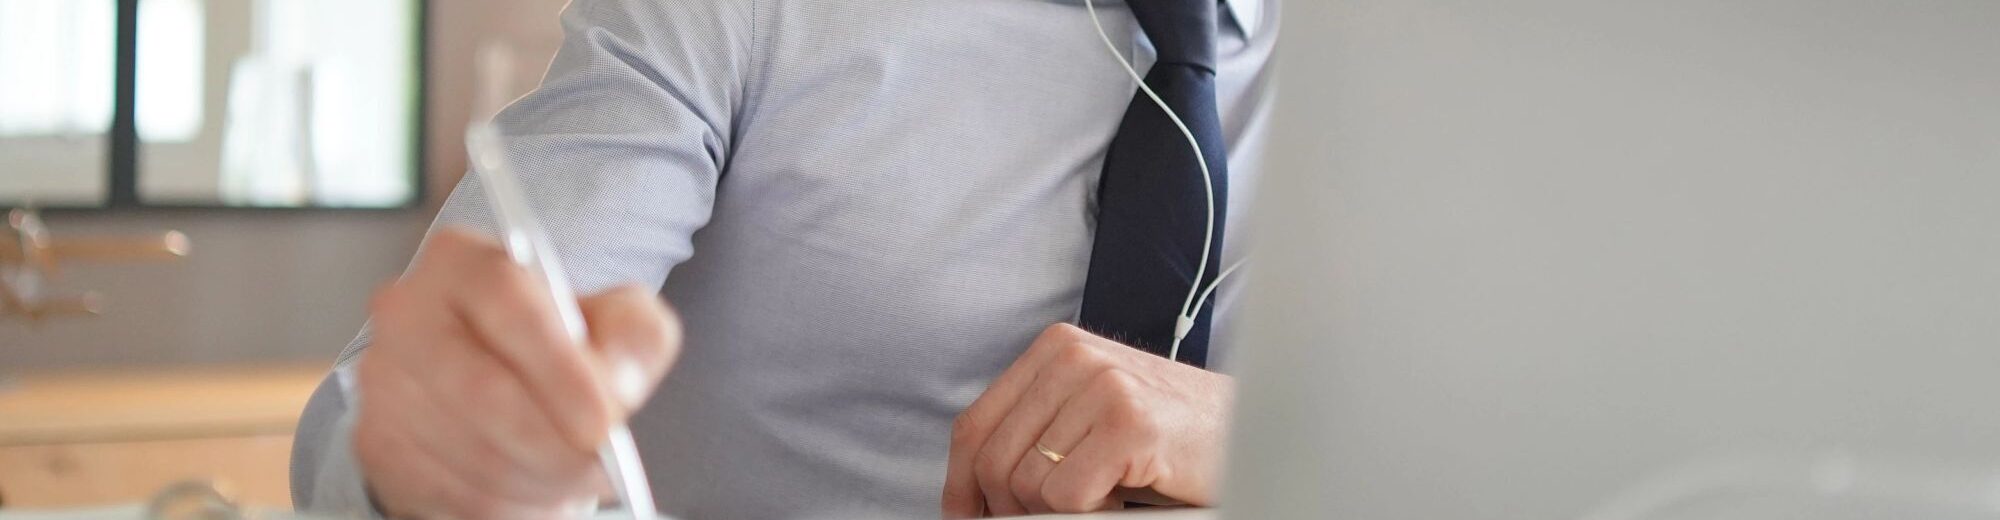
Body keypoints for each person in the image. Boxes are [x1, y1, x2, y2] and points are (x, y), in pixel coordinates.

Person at [290, 0, 1277, 517]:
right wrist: (436, 461)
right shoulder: (734, 11)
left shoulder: (1397, 69)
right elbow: (370, 416)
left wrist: (1267, 441)